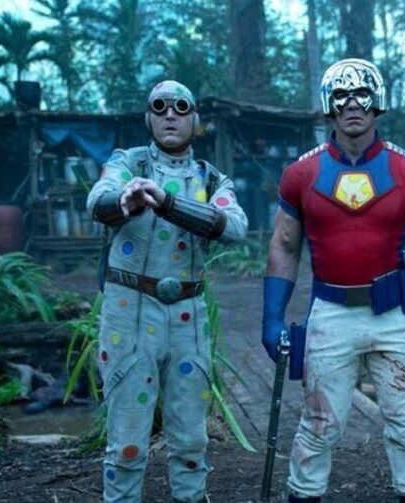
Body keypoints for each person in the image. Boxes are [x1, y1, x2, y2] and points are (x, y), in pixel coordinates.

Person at [261, 58, 405, 503]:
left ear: (377, 103)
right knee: (319, 424)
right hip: (329, 315)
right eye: (342, 96)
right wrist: (271, 318)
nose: (353, 104)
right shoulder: (301, 174)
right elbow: (284, 246)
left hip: (393, 314)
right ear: (329, 105)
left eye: (362, 95)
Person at [87, 80, 248, 502]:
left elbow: (234, 226)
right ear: (148, 118)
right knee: (127, 438)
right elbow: (98, 200)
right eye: (159, 107)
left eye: (181, 106)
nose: (170, 114)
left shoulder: (210, 178)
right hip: (129, 309)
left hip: (188, 316)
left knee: (191, 438)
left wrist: (167, 203)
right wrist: (126, 199)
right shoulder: (129, 162)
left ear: (195, 119)